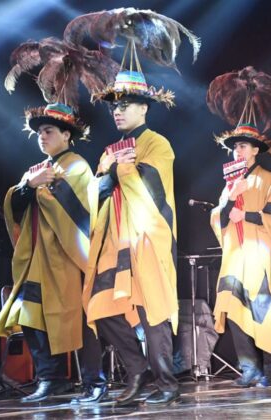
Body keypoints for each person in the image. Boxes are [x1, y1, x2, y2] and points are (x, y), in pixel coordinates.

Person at [0, 103, 105, 402]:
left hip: (68, 257)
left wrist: (42, 189)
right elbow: (14, 205)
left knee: (81, 320)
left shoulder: (77, 166)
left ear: (66, 135)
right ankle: (50, 378)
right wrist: (30, 186)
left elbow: (81, 211)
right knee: (29, 316)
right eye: (40, 132)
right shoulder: (36, 171)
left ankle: (95, 381)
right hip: (37, 259)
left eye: (49, 131)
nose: (42, 137)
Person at [82, 68, 180, 405]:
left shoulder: (157, 143)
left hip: (147, 237)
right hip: (114, 240)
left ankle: (167, 384)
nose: (118, 111)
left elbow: (154, 189)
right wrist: (113, 170)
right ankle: (137, 369)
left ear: (144, 108)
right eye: (114, 106)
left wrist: (118, 169)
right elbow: (97, 193)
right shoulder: (110, 150)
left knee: (153, 311)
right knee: (99, 305)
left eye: (125, 105)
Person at [210, 122, 271, 388]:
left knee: (266, 312)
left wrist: (246, 214)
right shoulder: (229, 184)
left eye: (243, 146)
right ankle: (249, 369)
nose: (238, 151)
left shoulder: (267, 179)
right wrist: (231, 198)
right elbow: (218, 217)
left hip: (259, 253)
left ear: (256, 150)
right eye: (235, 147)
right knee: (235, 311)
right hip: (235, 255)